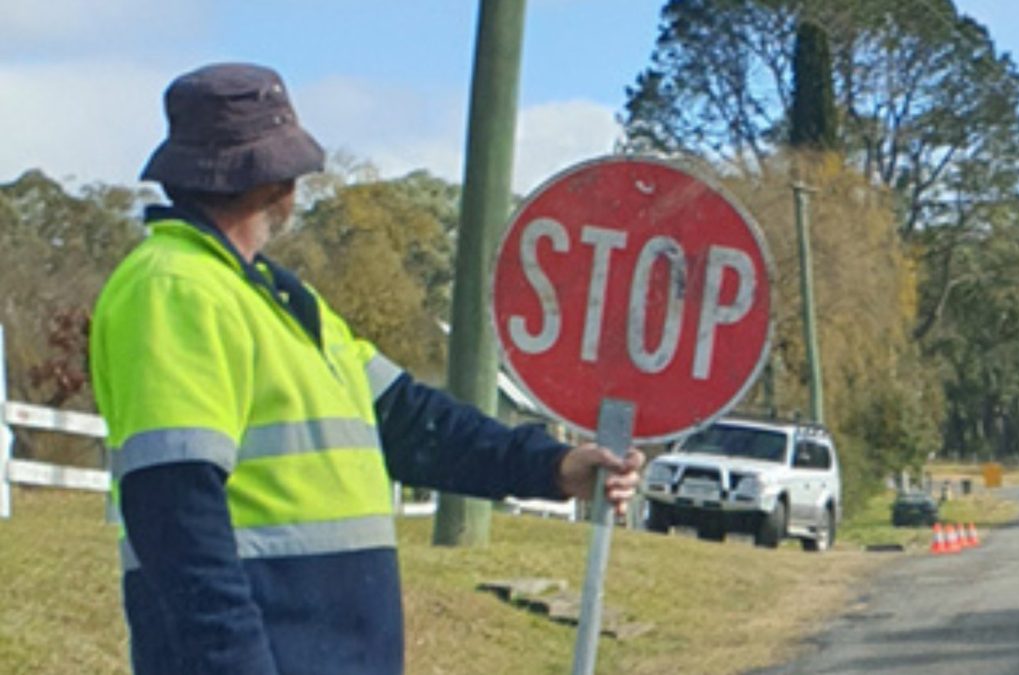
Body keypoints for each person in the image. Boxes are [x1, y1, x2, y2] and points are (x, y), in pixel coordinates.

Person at [89, 62, 643, 675]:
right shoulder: (175, 288)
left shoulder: (276, 298)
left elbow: (410, 421)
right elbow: (177, 516)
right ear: (278, 179)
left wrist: (553, 466)